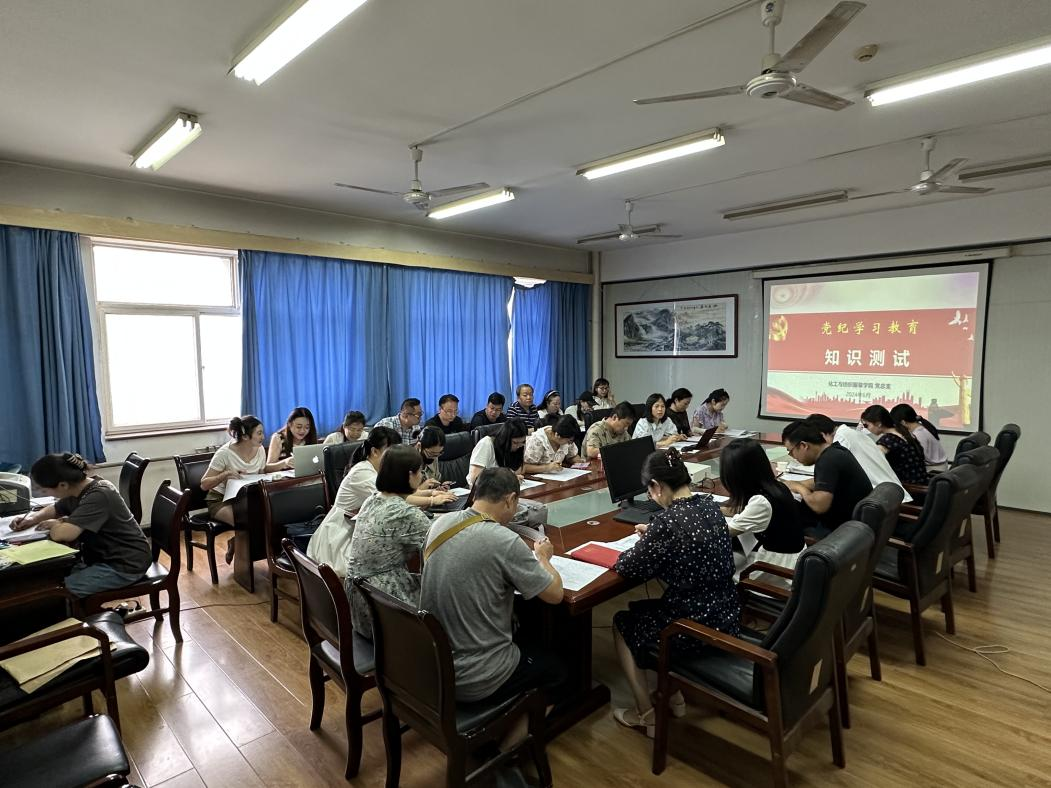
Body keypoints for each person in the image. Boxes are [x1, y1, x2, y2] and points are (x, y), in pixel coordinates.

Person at [611, 448, 740, 736]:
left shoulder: (667, 522)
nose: (651, 498)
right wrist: (654, 538)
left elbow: (627, 566)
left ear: (657, 486)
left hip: (691, 626)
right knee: (646, 611)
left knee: (623, 623)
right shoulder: (710, 506)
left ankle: (646, 715)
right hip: (726, 613)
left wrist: (648, 541)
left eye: (650, 492)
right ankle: (674, 697)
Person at [421, 468, 565, 713]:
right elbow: (554, 595)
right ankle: (509, 737)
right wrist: (543, 558)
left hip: (433, 661)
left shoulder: (440, 524)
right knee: (557, 673)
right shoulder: (504, 540)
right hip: (477, 675)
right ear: (510, 499)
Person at [308, 427, 454, 575]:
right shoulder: (362, 472)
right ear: (374, 451)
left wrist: (431, 492)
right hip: (340, 533)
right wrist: (432, 500)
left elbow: (399, 493)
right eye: (390, 451)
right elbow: (398, 497)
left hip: (361, 528)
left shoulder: (378, 471)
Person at [10, 453, 151, 597]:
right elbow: (56, 508)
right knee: (53, 576)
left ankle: (82, 611)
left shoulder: (99, 495)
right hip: (101, 557)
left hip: (125, 564)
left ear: (63, 485)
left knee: (61, 591)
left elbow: (63, 535)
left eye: (45, 490)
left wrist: (57, 523)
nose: (44, 493)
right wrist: (32, 519)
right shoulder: (79, 488)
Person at [344, 446, 432, 639]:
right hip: (383, 608)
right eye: (420, 471)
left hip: (359, 599)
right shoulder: (405, 513)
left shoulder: (372, 500)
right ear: (410, 475)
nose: (422, 476)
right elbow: (440, 548)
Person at [719, 438, 805, 585]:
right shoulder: (777, 486)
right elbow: (742, 512)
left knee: (719, 569)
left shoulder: (761, 503)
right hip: (794, 559)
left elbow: (723, 532)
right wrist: (716, 510)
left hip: (778, 571)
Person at [781, 420, 872, 535]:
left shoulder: (827, 461)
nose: (792, 456)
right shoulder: (836, 451)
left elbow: (820, 506)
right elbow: (824, 482)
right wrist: (795, 484)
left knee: (783, 514)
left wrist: (799, 488)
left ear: (804, 445)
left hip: (842, 531)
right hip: (857, 524)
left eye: (791, 451)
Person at [202, 415, 292, 528]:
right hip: (221, 499)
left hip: (246, 498)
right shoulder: (224, 453)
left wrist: (284, 463)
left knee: (271, 518)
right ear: (245, 436)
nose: (263, 437)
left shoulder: (259, 449)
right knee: (246, 522)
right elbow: (204, 484)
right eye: (259, 433)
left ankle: (240, 541)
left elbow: (263, 470)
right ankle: (239, 540)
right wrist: (225, 474)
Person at [805, 414, 911, 503]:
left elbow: (830, 477)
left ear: (822, 435)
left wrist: (800, 484)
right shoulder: (850, 433)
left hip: (882, 501)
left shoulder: (841, 439)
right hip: (891, 495)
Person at [860, 405, 929, 485]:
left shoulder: (887, 441)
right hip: (922, 483)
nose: (866, 428)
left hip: (909, 488)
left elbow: (871, 463)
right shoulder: (904, 432)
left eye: (866, 425)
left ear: (879, 424)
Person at [468, 418, 528, 485]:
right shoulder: (486, 443)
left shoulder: (518, 448)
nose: (518, 446)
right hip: (482, 489)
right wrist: (507, 479)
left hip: (502, 488)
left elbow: (518, 470)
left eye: (522, 442)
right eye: (515, 443)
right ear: (506, 439)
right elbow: (475, 478)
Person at [890, 403, 948, 470]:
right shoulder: (922, 427)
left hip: (933, 470)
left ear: (903, 422)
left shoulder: (919, 434)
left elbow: (917, 458)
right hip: (938, 466)